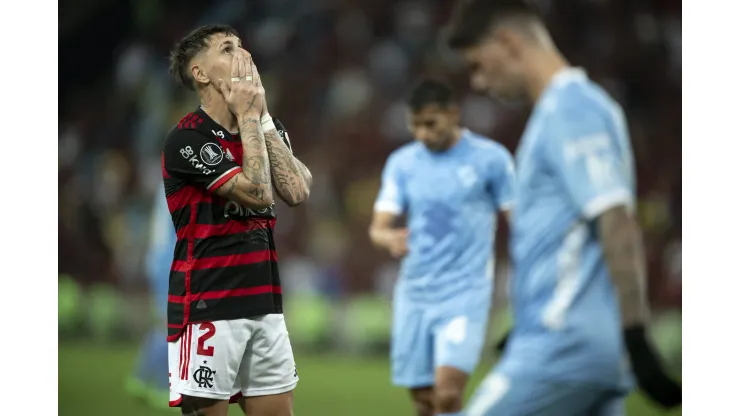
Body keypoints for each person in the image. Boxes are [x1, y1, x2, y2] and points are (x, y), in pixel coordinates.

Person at [445, 1, 682, 415]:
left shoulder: (572, 107)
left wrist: (637, 335)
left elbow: (616, 219)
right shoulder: (566, 111)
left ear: (507, 42)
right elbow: (575, 240)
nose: (479, 82)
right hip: (577, 347)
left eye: (478, 65)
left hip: (562, 348)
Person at [163, 23, 312, 416]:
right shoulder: (187, 138)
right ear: (200, 73)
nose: (243, 56)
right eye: (227, 49)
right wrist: (249, 115)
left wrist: (261, 118)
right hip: (209, 307)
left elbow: (296, 191)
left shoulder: (264, 124)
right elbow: (259, 192)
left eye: (242, 46)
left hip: (266, 304)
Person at [369, 79, 516, 416]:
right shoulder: (402, 163)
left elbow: (520, 220)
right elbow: (378, 228)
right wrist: (388, 237)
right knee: (424, 400)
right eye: (415, 125)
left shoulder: (491, 159)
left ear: (453, 114)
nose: (422, 133)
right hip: (415, 294)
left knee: (448, 393)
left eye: (430, 124)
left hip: (466, 294)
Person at [125, 185, 175, 408]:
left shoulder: (167, 184)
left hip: (162, 259)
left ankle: (141, 378)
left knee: (167, 323)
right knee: (172, 324)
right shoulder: (178, 183)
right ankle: (161, 387)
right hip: (169, 262)